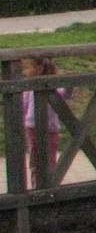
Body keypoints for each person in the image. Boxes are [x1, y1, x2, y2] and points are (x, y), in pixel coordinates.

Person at [20, 56, 69, 189]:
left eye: (29, 67)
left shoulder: (49, 85)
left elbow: (64, 95)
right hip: (35, 127)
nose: (26, 71)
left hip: (43, 126)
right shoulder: (29, 85)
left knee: (44, 160)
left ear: (38, 68)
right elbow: (23, 104)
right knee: (38, 160)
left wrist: (70, 83)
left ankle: (47, 185)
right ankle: (39, 185)